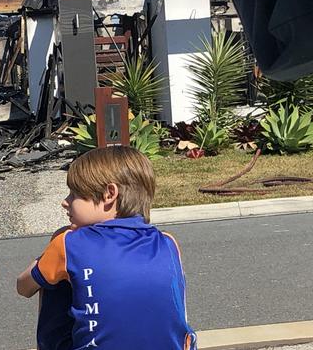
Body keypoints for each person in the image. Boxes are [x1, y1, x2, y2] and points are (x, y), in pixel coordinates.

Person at [16, 146, 197, 350]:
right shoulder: (168, 243)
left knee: (52, 281)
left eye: (74, 194)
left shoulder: (69, 243)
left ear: (109, 194)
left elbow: (23, 287)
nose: (65, 202)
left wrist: (44, 259)